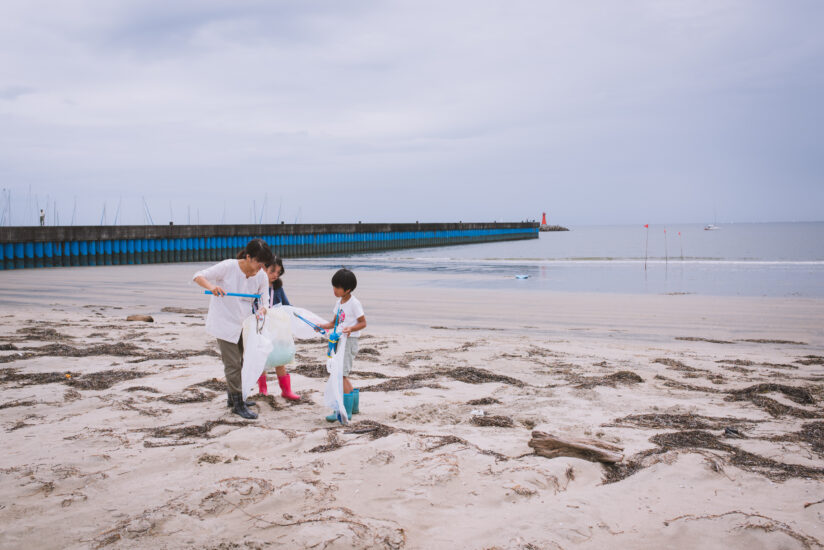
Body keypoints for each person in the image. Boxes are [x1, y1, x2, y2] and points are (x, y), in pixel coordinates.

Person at [193, 238, 273, 419]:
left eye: (263, 264)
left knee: (243, 362)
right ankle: (238, 404)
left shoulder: (260, 275)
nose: (260, 267)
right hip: (224, 323)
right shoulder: (229, 267)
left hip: (244, 324)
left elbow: (265, 300)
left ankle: (233, 398)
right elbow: (198, 275)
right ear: (248, 257)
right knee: (233, 364)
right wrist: (212, 287)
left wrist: (263, 309)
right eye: (258, 262)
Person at [317, 268, 366, 422]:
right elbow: (333, 323)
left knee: (341, 375)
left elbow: (363, 323)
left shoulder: (354, 303)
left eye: (337, 287)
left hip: (349, 342)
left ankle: (344, 410)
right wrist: (321, 326)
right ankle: (353, 407)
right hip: (338, 341)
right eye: (334, 286)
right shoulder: (339, 302)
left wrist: (351, 328)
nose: (334, 290)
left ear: (348, 289)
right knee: (341, 374)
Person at [252, 255, 300, 401]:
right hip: (259, 328)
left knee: (280, 360)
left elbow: (287, 305)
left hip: (277, 329)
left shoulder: (277, 288)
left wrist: (298, 315)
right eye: (272, 271)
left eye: (278, 273)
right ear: (263, 268)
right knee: (261, 361)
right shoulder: (255, 286)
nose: (275, 275)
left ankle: (286, 391)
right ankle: (263, 390)